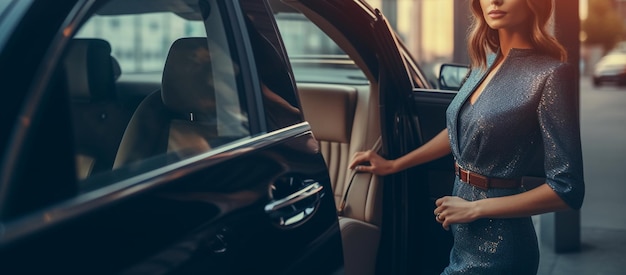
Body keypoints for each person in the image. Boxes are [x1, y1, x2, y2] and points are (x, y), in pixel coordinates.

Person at [348, 0, 585, 274]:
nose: (494, 1)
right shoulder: (485, 64)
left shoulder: (551, 75)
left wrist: (476, 209)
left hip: (501, 247)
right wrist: (393, 165)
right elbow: (457, 131)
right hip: (462, 236)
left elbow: (567, 190)